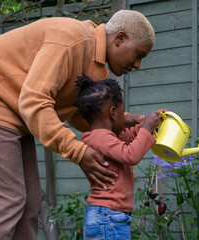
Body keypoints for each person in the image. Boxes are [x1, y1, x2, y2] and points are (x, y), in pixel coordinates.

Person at [0, 10, 155, 240]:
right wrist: (77, 151)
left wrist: (124, 120)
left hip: (15, 117)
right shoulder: (72, 39)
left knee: (30, 203)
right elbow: (34, 101)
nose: (139, 65)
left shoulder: (95, 66)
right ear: (120, 39)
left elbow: (80, 115)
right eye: (139, 54)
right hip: (4, 109)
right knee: (10, 200)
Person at [72, 75, 164, 239]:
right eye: (123, 112)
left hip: (108, 216)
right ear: (113, 112)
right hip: (108, 218)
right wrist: (147, 128)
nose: (125, 116)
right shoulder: (101, 138)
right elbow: (130, 155)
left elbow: (128, 137)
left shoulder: (104, 136)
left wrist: (145, 125)